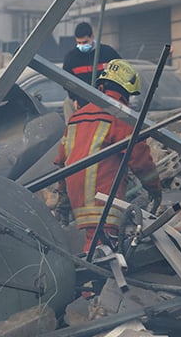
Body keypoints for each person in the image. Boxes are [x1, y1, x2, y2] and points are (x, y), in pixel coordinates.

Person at [54, 59, 162, 252]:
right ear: (125, 92)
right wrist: (154, 188)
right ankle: (98, 279)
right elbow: (140, 159)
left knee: (95, 242)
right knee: (102, 247)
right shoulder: (120, 116)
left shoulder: (76, 117)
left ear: (101, 87)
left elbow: (62, 160)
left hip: (77, 195)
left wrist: (63, 196)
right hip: (102, 197)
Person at [62, 22, 121, 119]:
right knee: (68, 103)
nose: (81, 45)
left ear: (92, 37)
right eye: (79, 43)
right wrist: (74, 98)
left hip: (106, 98)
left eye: (85, 42)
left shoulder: (107, 53)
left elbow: (121, 71)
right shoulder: (71, 59)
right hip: (81, 99)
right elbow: (67, 82)